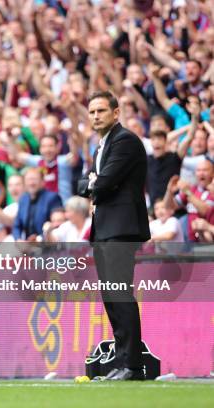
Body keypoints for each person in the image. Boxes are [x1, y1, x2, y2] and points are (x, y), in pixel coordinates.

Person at [78, 91, 150, 381]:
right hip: (104, 228)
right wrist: (93, 182)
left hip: (121, 227)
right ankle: (122, 361)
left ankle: (132, 365)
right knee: (111, 295)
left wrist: (95, 182)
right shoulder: (100, 147)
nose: (96, 116)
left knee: (120, 293)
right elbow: (83, 182)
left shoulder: (125, 141)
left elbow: (103, 182)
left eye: (101, 111)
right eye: (92, 111)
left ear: (116, 113)